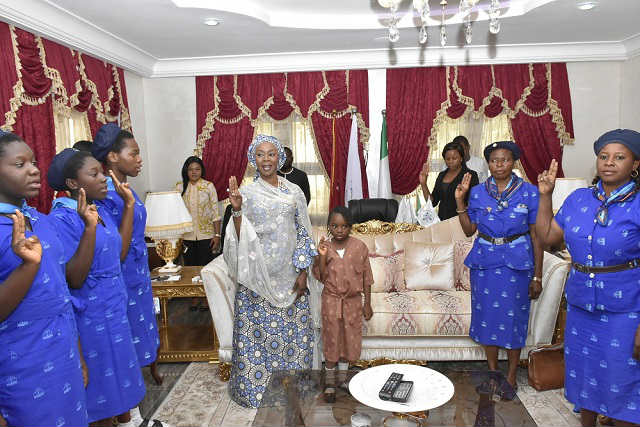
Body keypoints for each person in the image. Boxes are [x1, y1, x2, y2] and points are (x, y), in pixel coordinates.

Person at [536, 129, 640, 427]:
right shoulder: (579, 199)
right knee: (585, 379)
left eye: (619, 157)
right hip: (582, 308)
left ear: (635, 164)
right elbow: (546, 237)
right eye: (604, 156)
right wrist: (545, 196)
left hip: (626, 311)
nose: (609, 163)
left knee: (623, 386)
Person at [47, 148, 147, 426]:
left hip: (114, 309)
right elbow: (74, 278)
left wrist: (128, 207)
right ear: (72, 184)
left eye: (102, 171)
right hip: (90, 317)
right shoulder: (61, 220)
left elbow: (119, 254)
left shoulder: (99, 209)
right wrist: (89, 229)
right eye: (94, 174)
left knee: (119, 386)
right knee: (99, 395)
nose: (104, 178)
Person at [0, 131, 88, 426]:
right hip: (21, 367)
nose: (34, 169)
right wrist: (27, 267)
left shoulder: (42, 220)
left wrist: (77, 355)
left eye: (34, 162)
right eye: (20, 164)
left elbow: (62, 294)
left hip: (63, 355)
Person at [225, 134, 318, 408]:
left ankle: (293, 390)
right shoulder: (247, 192)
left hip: (290, 277)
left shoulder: (294, 192)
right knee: (257, 339)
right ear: (253, 159)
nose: (266, 160)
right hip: (258, 278)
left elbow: (303, 231)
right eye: (260, 155)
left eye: (271, 154)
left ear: (281, 157)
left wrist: (302, 271)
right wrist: (237, 209)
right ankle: (255, 391)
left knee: (294, 335)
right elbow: (240, 239)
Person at [456, 140, 543, 395]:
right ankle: (494, 373)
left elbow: (537, 236)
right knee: (487, 319)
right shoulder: (478, 192)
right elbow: (469, 229)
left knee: (514, 320)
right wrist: (460, 201)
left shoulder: (529, 192)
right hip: (484, 263)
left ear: (513, 162)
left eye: (504, 160)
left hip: (517, 264)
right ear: (488, 163)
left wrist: (537, 275)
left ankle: (512, 376)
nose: (499, 165)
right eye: (494, 160)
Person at [91, 124, 162, 390]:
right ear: (112, 156)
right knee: (125, 342)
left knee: (139, 335)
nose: (139, 159)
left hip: (137, 272)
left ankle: (133, 406)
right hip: (119, 276)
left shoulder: (122, 188)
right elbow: (111, 244)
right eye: (133, 153)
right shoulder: (105, 194)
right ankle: (129, 412)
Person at [312, 206, 373, 403]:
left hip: (353, 303)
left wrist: (367, 304)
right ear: (329, 227)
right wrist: (321, 256)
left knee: (349, 339)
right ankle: (330, 383)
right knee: (332, 339)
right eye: (335, 226)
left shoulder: (360, 247)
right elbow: (320, 276)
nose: (340, 230)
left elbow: (367, 278)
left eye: (344, 226)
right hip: (331, 301)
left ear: (350, 227)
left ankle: (343, 380)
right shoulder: (325, 247)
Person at [176, 156, 221, 265]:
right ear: (186, 171)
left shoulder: (208, 186)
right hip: (186, 237)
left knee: (205, 268)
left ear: (202, 170)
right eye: (191, 169)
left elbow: (215, 213)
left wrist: (217, 235)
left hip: (207, 237)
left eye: (197, 169)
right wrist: (177, 237)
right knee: (189, 268)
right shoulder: (179, 188)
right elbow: (176, 214)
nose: (194, 172)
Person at [420, 141, 479, 221]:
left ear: (461, 158)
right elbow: (432, 203)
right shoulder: (441, 175)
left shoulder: (470, 175)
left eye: (454, 158)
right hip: (442, 220)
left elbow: (474, 203)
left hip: (462, 221)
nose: (451, 161)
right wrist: (423, 184)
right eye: (448, 159)